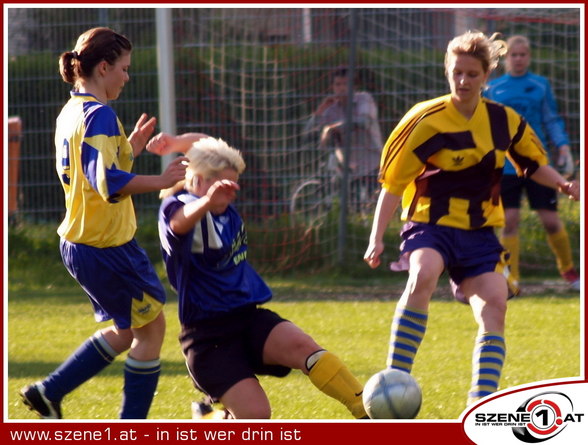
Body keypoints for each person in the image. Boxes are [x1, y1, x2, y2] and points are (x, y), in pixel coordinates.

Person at [363, 31, 580, 407]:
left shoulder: (504, 120)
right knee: (423, 273)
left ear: (486, 76)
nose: (463, 81)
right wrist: (376, 237)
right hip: (430, 226)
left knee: (496, 303)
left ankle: (480, 403)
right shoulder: (425, 120)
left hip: (479, 233)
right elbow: (394, 185)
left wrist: (563, 184)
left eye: (472, 74)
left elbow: (533, 165)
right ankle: (394, 381)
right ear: (447, 71)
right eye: (457, 73)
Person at [19, 27, 190, 419]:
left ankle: (49, 391)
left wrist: (128, 146)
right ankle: (130, 427)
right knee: (152, 330)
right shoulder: (99, 116)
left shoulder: (72, 111)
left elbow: (95, 171)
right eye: (124, 69)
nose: (127, 77)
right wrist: (163, 180)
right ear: (102, 67)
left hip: (83, 242)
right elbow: (107, 183)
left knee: (130, 331)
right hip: (105, 246)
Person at [155, 135, 367, 419]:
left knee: (305, 348)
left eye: (233, 186)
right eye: (224, 186)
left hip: (247, 318)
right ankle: (209, 420)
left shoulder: (220, 204)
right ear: (199, 180)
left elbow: (206, 143)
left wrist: (177, 142)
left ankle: (369, 413)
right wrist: (207, 200)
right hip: (208, 339)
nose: (231, 193)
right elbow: (177, 224)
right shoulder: (180, 204)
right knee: (257, 418)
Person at [484, 35, 579, 291]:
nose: (518, 59)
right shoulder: (493, 89)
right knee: (510, 220)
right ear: (506, 59)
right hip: (505, 166)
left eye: (522, 55)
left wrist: (562, 146)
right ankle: (511, 278)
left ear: (529, 57)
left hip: (537, 162)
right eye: (513, 55)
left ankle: (569, 271)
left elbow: (551, 118)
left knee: (550, 220)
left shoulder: (540, 85)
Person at [305, 66, 383, 211]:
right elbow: (308, 135)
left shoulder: (364, 99)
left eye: (345, 84)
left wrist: (332, 128)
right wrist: (318, 113)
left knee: (372, 207)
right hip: (348, 168)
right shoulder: (331, 109)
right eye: (337, 84)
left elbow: (363, 122)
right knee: (351, 209)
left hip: (372, 164)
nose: (341, 88)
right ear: (332, 87)